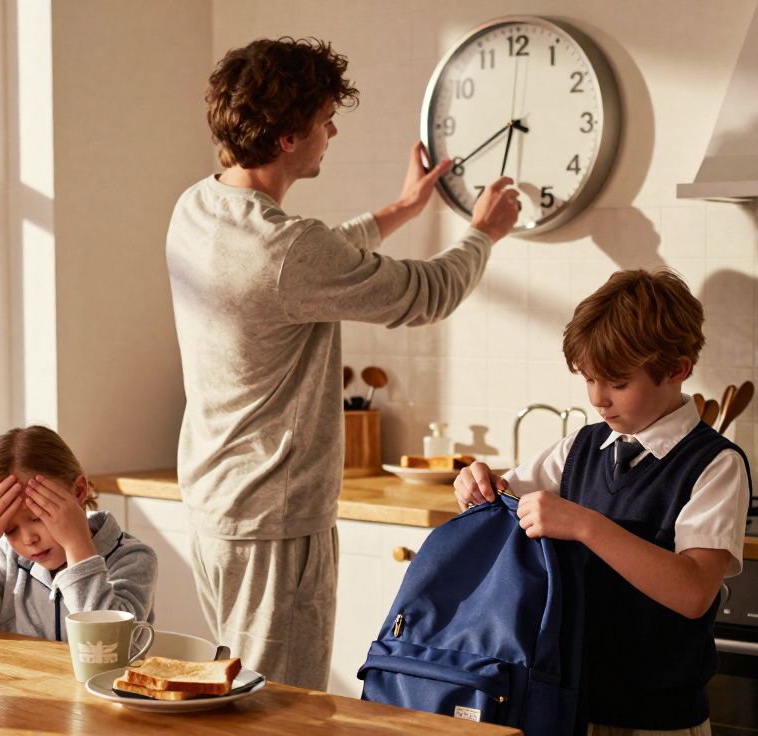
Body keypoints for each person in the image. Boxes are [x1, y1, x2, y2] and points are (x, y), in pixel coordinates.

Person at [166, 36, 520, 690]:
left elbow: (311, 263)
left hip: (219, 504)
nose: (332, 130)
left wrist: (402, 210)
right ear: (285, 139)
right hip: (275, 519)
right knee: (280, 710)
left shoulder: (199, 208)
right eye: (324, 119)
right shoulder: (286, 250)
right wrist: (482, 233)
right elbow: (425, 293)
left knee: (235, 694)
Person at [454, 269, 750, 735]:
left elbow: (694, 593)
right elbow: (503, 497)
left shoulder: (716, 465)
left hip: (659, 721)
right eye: (589, 380)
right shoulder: (581, 447)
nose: (597, 399)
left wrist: (585, 525)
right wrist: (477, 484)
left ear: (677, 368)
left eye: (616, 383)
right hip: (568, 706)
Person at [0, 425, 156, 638]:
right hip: (24, 693)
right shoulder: (9, 559)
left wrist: (77, 546)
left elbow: (112, 647)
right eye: (9, 529)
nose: (28, 539)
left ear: (78, 492)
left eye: (38, 517)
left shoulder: (132, 559)